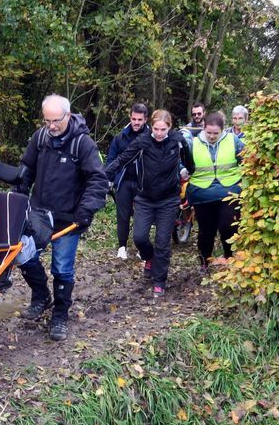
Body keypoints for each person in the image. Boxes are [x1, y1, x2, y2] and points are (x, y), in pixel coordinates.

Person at [16, 94, 108, 341]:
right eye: (47, 121)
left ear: (68, 116)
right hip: (39, 213)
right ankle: (41, 296)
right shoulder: (41, 138)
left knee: (62, 268)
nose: (52, 126)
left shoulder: (83, 144)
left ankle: (59, 314)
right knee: (24, 254)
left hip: (70, 217)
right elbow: (27, 168)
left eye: (56, 120)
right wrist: (19, 192)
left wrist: (86, 209)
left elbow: (98, 179)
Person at [105, 109, 194, 298]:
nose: (159, 133)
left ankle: (159, 281)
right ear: (151, 127)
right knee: (139, 238)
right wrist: (103, 176)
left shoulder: (177, 141)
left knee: (163, 242)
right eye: (156, 129)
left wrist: (186, 171)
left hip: (169, 199)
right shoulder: (143, 142)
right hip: (145, 198)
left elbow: (189, 162)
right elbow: (122, 159)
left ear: (169, 127)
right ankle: (149, 257)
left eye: (163, 129)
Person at [187, 112, 244, 270]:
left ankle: (229, 258)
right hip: (202, 193)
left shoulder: (233, 141)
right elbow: (183, 163)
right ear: (203, 128)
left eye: (216, 133)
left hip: (229, 190)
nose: (212, 136)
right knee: (206, 230)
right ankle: (204, 262)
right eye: (209, 133)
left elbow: (247, 159)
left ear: (223, 130)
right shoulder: (193, 143)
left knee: (229, 225)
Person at [106, 103, 150, 260]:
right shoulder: (120, 137)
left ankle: (141, 246)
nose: (136, 122)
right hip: (124, 181)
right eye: (134, 119)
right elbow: (111, 159)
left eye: (140, 119)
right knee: (122, 215)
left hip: (143, 183)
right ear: (130, 118)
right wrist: (110, 179)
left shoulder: (152, 136)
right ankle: (122, 246)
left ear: (145, 119)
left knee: (141, 215)